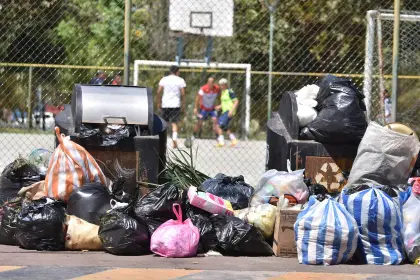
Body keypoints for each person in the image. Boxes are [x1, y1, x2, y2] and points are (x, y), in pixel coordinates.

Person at [157, 65, 186, 148]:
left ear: (170, 71)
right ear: (177, 71)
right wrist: (183, 103)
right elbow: (183, 93)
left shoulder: (164, 79)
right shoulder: (180, 80)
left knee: (164, 123)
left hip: (165, 103)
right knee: (174, 123)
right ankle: (174, 139)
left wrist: (158, 102)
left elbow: (159, 91)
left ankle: (162, 141)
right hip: (175, 104)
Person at [215, 78, 239, 147]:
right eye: (220, 85)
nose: (221, 86)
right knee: (223, 126)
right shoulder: (223, 92)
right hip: (225, 111)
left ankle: (221, 142)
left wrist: (231, 110)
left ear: (226, 85)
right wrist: (219, 106)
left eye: (222, 85)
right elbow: (225, 102)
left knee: (219, 125)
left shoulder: (230, 91)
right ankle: (233, 139)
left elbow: (236, 101)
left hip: (229, 111)